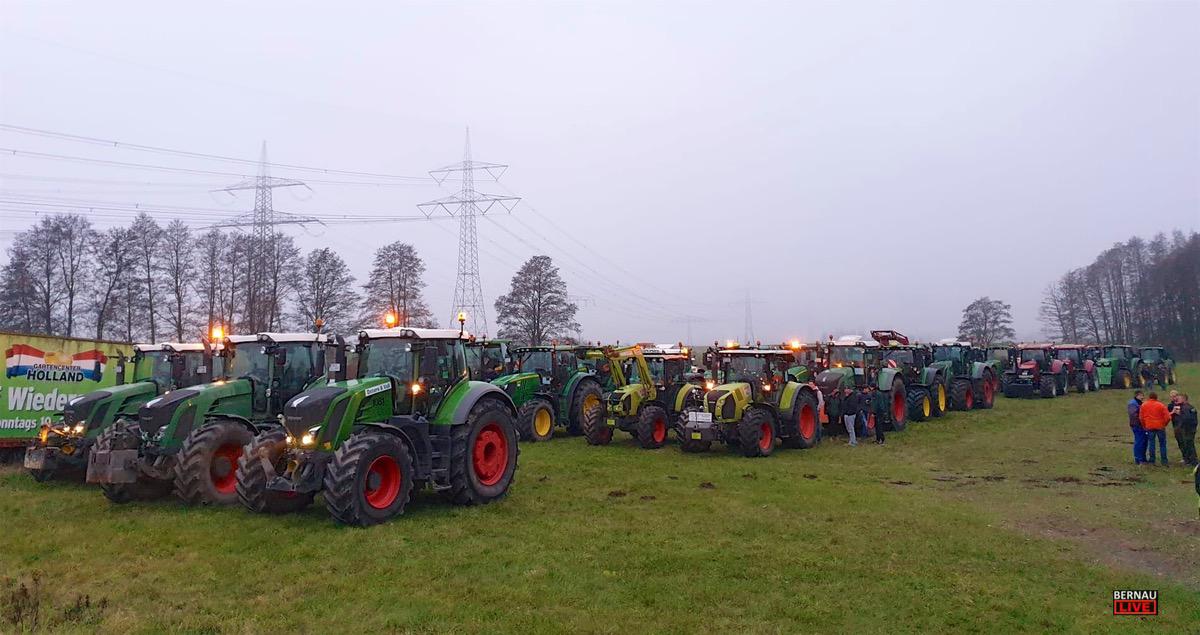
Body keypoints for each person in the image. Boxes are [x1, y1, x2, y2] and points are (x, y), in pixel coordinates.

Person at [1139, 392, 1172, 466]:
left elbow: (1141, 417)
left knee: (1151, 444)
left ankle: (1152, 460)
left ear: (1149, 397)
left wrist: (1144, 425)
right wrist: (1164, 424)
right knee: (1162, 444)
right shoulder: (1161, 405)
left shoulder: (1144, 405)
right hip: (1160, 426)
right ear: (1156, 397)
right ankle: (1164, 460)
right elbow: (1168, 417)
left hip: (1149, 426)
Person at [1174, 393, 1198, 467]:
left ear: (1184, 399)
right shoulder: (1191, 407)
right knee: (1190, 444)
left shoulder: (1185, 408)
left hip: (1187, 429)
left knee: (1188, 445)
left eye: (1179, 398)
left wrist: (1180, 425)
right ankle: (1192, 460)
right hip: (1192, 428)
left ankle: (1192, 461)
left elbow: (1186, 418)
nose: (1177, 399)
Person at [1128, 391, 1147, 465]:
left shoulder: (1139, 403)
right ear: (1137, 395)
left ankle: (1143, 457)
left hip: (1142, 425)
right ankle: (1138, 459)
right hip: (1137, 425)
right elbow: (1133, 415)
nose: (1142, 397)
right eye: (1141, 396)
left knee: (1144, 441)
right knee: (1139, 441)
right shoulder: (1132, 403)